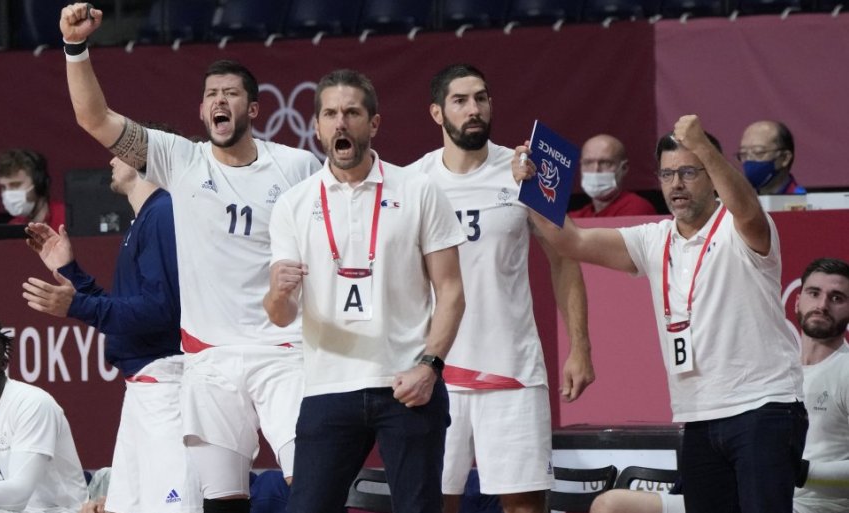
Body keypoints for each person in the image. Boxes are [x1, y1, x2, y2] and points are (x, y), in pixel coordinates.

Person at [59, 4, 321, 512]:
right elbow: (94, 118)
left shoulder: (295, 166)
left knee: (310, 481)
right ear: (202, 112)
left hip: (283, 350)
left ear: (254, 109)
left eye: (231, 94)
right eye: (211, 94)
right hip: (209, 358)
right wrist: (75, 48)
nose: (220, 101)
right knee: (221, 500)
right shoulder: (181, 159)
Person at [516, 115, 807, 513]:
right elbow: (572, 241)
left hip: (763, 407)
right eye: (668, 174)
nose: (676, 184)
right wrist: (535, 184)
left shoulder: (739, 228)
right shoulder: (654, 238)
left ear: (713, 175)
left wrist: (702, 145)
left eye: (689, 172)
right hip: (699, 416)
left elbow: (747, 209)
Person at [264, 69, 466, 513]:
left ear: (373, 123)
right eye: (330, 114)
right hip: (328, 386)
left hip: (407, 384)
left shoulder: (418, 190)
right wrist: (277, 294)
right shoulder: (293, 204)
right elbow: (281, 314)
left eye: (352, 112)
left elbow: (451, 290)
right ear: (316, 126)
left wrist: (430, 367)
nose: (341, 122)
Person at [406, 63, 594, 513]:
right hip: (433, 373)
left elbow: (565, 259)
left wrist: (580, 347)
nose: (474, 109)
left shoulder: (526, 171)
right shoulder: (412, 182)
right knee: (431, 503)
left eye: (481, 98)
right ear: (437, 113)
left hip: (512, 369)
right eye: (460, 100)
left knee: (524, 506)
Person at [20, 131, 200, 513]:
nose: (111, 160)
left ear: (142, 157)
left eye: (119, 151)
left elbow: (162, 311)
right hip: (141, 390)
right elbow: (127, 311)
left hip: (166, 388)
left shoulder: (164, 212)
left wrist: (77, 305)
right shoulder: (145, 219)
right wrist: (71, 272)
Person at [590, 257, 849, 513]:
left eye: (836, 298)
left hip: (810, 506)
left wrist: (801, 471)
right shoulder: (770, 366)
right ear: (797, 301)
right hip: (740, 494)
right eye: (814, 293)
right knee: (610, 505)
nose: (822, 305)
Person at [0, 319, 88, 513]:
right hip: (4, 509)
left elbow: (18, 494)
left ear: (3, 363)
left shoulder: (32, 403)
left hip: (58, 510)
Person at [569, 135, 657, 218]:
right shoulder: (576, 217)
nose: (595, 170)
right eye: (588, 163)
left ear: (624, 168)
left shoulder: (637, 208)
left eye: (605, 163)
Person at [0, 148, 66, 230]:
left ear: (39, 183)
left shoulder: (67, 217)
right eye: (3, 187)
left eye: (16, 185)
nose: (8, 193)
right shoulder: (14, 225)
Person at [736, 120, 805, 194]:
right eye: (743, 153)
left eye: (758, 152)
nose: (749, 159)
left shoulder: (804, 199)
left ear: (785, 158)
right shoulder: (738, 199)